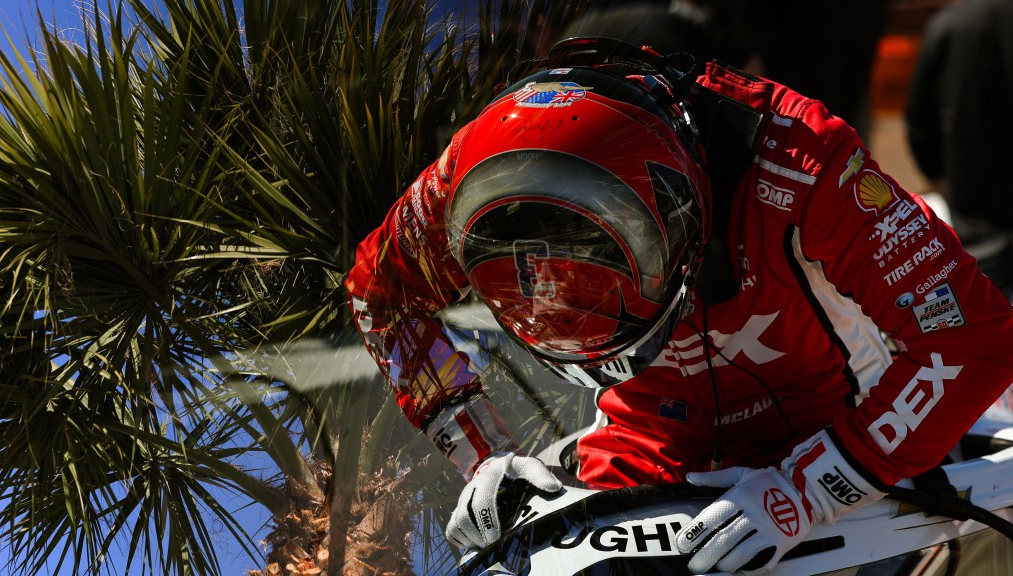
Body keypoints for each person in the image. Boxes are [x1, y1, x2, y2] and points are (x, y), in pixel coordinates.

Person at [345, 37, 1013, 574]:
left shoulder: (802, 158)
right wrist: (484, 454)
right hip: (646, 448)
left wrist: (813, 488)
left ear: (684, 220)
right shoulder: (466, 171)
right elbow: (381, 296)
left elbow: (972, 337)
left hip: (834, 429)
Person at [905, 0, 1013, 299]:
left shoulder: (948, 26)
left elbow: (919, 120)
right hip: (975, 208)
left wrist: (939, 175)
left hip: (973, 207)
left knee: (987, 317)